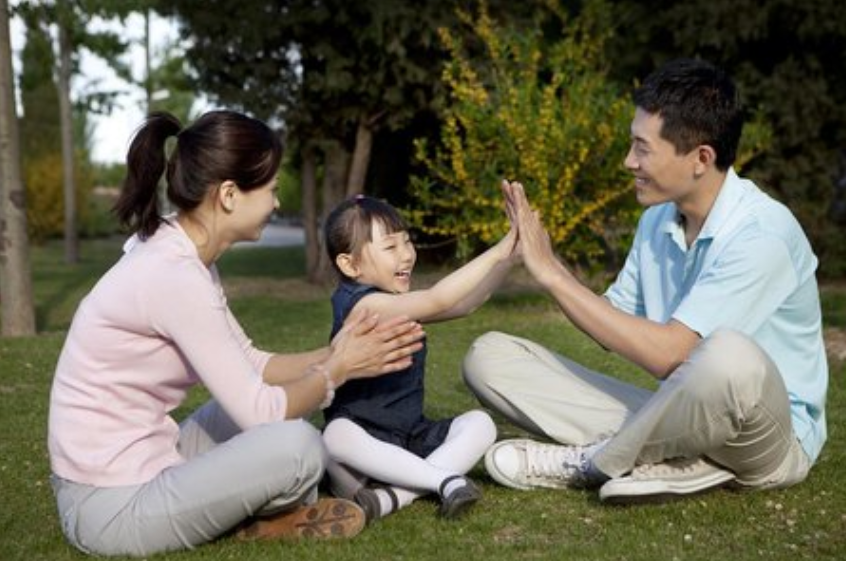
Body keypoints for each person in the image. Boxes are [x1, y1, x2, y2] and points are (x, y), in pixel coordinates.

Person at [47, 110, 425, 557]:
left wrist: (336, 351)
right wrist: (337, 370)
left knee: (286, 400)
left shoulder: (181, 249)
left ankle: (242, 511)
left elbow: (253, 363)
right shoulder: (173, 274)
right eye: (270, 190)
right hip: (108, 507)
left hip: (149, 456)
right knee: (299, 445)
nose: (277, 203)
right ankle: (252, 516)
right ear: (229, 195)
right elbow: (263, 414)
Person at [464, 58, 828, 504]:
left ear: (701, 159)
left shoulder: (763, 234)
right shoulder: (657, 221)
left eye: (642, 148)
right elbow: (611, 322)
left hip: (766, 436)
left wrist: (553, 275)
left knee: (728, 354)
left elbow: (669, 354)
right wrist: (546, 267)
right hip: (685, 415)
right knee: (489, 356)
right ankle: (680, 461)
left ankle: (592, 463)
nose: (628, 161)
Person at [320, 194, 516, 522]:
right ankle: (442, 479)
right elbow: (438, 299)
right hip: (361, 440)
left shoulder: (396, 302)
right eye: (390, 247)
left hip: (410, 436)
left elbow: (466, 304)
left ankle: (392, 497)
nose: (407, 255)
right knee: (335, 436)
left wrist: (510, 257)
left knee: (481, 424)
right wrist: (499, 248)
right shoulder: (361, 305)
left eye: (407, 242)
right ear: (350, 265)